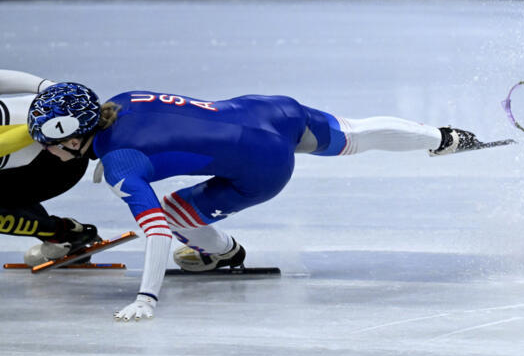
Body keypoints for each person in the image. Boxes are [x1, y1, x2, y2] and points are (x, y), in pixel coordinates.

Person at [27, 82, 482, 322]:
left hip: (262, 168)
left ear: (73, 134)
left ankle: (223, 252)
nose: (44, 150)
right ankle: (444, 137)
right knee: (356, 135)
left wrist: (146, 297)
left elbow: (157, 233)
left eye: (46, 141)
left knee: (169, 213)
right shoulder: (120, 100)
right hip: (267, 110)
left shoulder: (123, 163)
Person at [0, 70, 100, 266]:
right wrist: (44, 86)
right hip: (50, 143)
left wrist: (46, 87)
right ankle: (63, 234)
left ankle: (63, 233)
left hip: (59, 162)